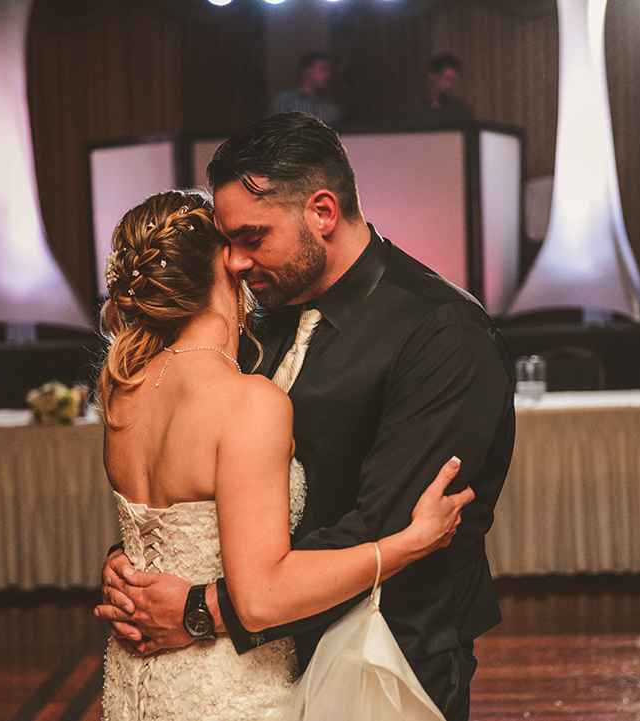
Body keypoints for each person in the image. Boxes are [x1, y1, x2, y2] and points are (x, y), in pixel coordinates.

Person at [97, 112, 516, 721]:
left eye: (251, 237)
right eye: (228, 242)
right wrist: (141, 560)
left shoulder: (441, 332)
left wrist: (200, 608)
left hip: (390, 658)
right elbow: (213, 482)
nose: (236, 264)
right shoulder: (261, 319)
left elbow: (382, 523)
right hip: (265, 665)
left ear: (322, 213)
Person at [400, 53, 475, 126]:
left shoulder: (462, 112)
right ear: (433, 77)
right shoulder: (412, 109)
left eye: (454, 81)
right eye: (448, 79)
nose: (451, 85)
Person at [269, 51, 342, 127]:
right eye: (322, 69)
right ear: (307, 71)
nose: (327, 75)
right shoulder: (285, 101)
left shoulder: (329, 108)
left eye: (328, 70)